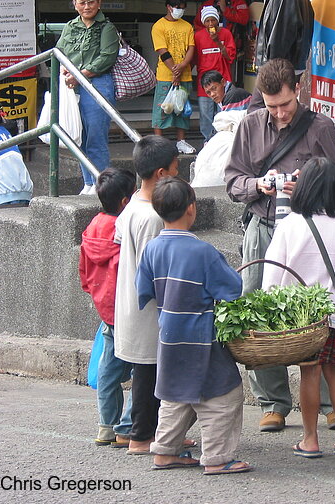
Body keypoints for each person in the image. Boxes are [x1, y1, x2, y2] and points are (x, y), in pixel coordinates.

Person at [224, 58, 335, 433]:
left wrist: (307, 189)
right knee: (258, 312)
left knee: (318, 311)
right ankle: (272, 403)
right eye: (271, 106)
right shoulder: (249, 125)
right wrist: (257, 185)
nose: (278, 114)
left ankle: (327, 403)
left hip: (309, 232)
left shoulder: (320, 127)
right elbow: (232, 181)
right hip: (263, 226)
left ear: (298, 90)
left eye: (285, 105)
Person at [136, 177, 252, 475]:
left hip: (169, 334)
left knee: (175, 392)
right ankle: (216, 457)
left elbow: (143, 291)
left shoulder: (151, 249)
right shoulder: (204, 252)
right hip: (201, 336)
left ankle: (164, 451)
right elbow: (232, 288)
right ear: (192, 209)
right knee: (225, 393)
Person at [263, 157, 335, 458]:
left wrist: (271, 311)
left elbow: (273, 273)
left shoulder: (291, 225)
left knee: (309, 375)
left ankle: (310, 440)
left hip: (303, 319)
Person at [113, 136, 183, 454]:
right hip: (148, 311)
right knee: (149, 375)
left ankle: (157, 433)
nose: (178, 173)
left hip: (130, 305)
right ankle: (142, 437)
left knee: (152, 373)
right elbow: (153, 271)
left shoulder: (131, 208)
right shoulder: (154, 218)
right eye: (175, 168)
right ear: (161, 173)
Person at [79, 167, 136, 447]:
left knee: (109, 369)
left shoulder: (92, 226)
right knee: (144, 368)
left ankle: (107, 425)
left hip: (105, 307)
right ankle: (127, 425)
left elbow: (84, 272)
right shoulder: (124, 229)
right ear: (126, 201)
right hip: (128, 308)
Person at [55, 0, 119, 195]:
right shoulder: (70, 27)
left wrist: (79, 76)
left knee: (96, 135)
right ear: (75, 4)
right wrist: (66, 72)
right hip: (72, 85)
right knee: (79, 135)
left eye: (91, 1)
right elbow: (59, 52)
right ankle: (88, 182)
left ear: (99, 3)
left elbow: (106, 58)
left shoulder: (107, 27)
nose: (87, 6)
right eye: (82, 2)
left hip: (97, 84)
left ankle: (101, 182)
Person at [247, 0, 314, 112]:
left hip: (277, 70)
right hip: (285, 68)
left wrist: (270, 73)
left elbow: (280, 39)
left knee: (257, 114)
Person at [151, 0, 197, 155]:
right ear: (168, 7)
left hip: (183, 74)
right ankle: (158, 143)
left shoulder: (187, 26)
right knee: (162, 109)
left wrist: (183, 65)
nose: (180, 11)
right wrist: (175, 71)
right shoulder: (159, 26)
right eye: (177, 8)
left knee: (181, 109)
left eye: (183, 8)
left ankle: (181, 142)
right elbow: (162, 51)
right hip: (165, 75)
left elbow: (191, 48)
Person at [194, 6, 237, 141]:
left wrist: (217, 41)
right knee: (206, 115)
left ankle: (223, 141)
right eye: (207, 21)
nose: (211, 24)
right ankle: (208, 141)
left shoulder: (226, 34)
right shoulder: (198, 36)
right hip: (204, 83)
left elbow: (230, 57)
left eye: (213, 20)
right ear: (203, 22)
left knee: (223, 113)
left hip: (222, 80)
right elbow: (194, 58)